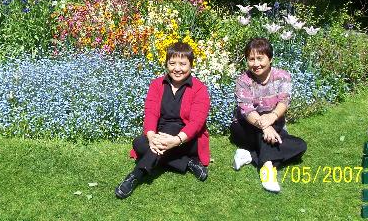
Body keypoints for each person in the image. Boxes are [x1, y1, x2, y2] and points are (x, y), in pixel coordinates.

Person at [115, 42, 211, 199]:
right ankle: (187, 163)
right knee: (139, 143)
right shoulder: (156, 84)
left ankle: (134, 176)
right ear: (166, 64)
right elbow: (151, 113)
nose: (177, 68)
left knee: (167, 133)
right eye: (172, 63)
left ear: (191, 65)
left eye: (183, 64)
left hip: (186, 139)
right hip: (161, 135)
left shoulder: (199, 89)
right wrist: (152, 137)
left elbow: (196, 123)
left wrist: (176, 140)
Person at [230, 37, 307, 193]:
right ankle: (268, 170)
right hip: (244, 128)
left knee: (300, 146)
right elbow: (247, 110)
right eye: (251, 59)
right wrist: (265, 126)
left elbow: (283, 103)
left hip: (273, 125)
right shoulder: (243, 81)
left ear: (270, 58)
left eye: (260, 58)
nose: (256, 64)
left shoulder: (282, 76)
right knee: (269, 132)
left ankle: (250, 155)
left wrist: (270, 119)